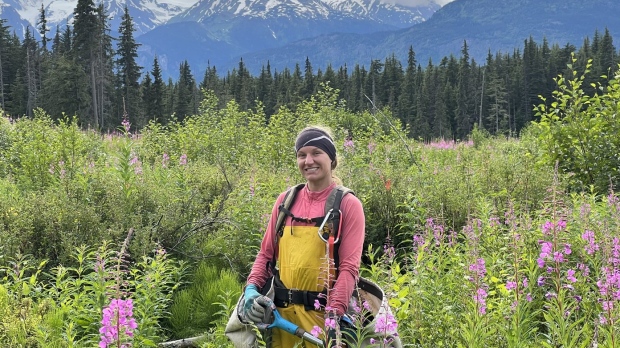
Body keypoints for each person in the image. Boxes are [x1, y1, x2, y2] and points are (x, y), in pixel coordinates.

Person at [243, 126, 366, 347]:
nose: (308, 161)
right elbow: (266, 255)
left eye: (316, 153)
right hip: (281, 320)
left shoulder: (348, 205)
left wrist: (334, 317)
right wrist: (251, 288)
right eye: (302, 155)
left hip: (321, 320)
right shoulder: (285, 201)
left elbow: (349, 268)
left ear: (332, 157)